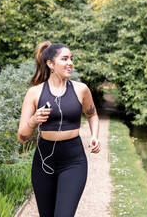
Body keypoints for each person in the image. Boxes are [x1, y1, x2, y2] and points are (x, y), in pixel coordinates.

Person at [17, 41, 101, 217]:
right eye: (64, 59)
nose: (70, 63)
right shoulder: (34, 93)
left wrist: (95, 136)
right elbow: (22, 137)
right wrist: (33, 121)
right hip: (43, 162)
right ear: (50, 64)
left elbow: (92, 114)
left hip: (73, 161)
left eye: (71, 58)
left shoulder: (81, 90)